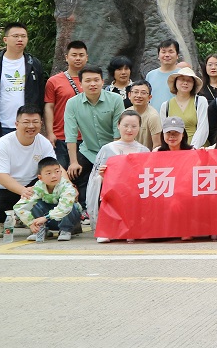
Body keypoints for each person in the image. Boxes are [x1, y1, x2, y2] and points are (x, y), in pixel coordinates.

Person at [0, 106, 55, 238]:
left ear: (41, 124)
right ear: (16, 124)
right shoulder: (3, 144)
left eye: (35, 122)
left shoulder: (44, 143)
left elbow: (54, 168)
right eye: (26, 122)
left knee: (53, 189)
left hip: (31, 186)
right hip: (2, 189)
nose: (31, 126)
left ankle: (32, 222)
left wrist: (69, 186)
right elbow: (2, 177)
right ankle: (1, 222)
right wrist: (23, 191)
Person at [0, 23, 46, 164]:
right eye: (16, 36)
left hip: (27, 125)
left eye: (23, 36)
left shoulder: (34, 64)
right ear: (5, 39)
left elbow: (40, 95)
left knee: (26, 166)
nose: (20, 39)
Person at [65, 65, 124, 209]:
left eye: (96, 80)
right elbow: (71, 134)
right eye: (88, 81)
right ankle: (83, 209)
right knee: (75, 173)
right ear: (80, 83)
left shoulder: (115, 99)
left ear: (102, 82)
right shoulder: (72, 103)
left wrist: (113, 159)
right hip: (88, 150)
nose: (92, 84)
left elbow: (118, 132)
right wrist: (73, 162)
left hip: (112, 150)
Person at [88, 109, 150, 242]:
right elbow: (95, 179)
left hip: (134, 194)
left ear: (139, 127)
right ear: (118, 125)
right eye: (125, 125)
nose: (129, 130)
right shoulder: (107, 149)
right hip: (112, 194)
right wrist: (102, 176)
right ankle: (107, 230)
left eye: (134, 126)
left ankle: (132, 229)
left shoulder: (144, 151)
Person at [14, 157, 82, 242]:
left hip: (67, 219)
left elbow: (65, 207)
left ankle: (65, 230)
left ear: (61, 173)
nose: (54, 176)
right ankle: (41, 229)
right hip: (48, 220)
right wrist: (31, 223)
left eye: (57, 171)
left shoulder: (67, 186)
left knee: (71, 205)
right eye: (48, 173)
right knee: (33, 203)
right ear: (40, 177)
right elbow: (19, 206)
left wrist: (46, 217)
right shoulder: (38, 187)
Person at [43, 40, 87, 168]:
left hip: (86, 137)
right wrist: (50, 133)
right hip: (61, 136)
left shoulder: (92, 81)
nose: (78, 58)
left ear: (86, 57)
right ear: (67, 57)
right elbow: (49, 107)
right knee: (60, 172)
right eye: (74, 55)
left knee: (82, 174)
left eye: (81, 55)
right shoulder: (54, 81)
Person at [159, 66, 210, 148]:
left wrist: (193, 148)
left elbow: (203, 127)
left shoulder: (200, 101)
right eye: (182, 79)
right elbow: (164, 131)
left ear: (193, 84)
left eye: (189, 80)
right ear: (175, 82)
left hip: (197, 148)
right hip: (175, 148)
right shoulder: (166, 106)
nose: (185, 83)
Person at [143, 39, 180, 109]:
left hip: (176, 115)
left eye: (171, 52)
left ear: (177, 55)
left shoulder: (182, 75)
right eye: (163, 52)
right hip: (154, 115)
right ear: (158, 55)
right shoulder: (150, 75)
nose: (167, 55)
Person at [127, 80, 163, 150]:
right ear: (129, 95)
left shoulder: (153, 116)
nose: (139, 96)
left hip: (146, 155)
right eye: (136, 92)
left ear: (149, 97)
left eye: (143, 93)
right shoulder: (125, 114)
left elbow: (157, 145)